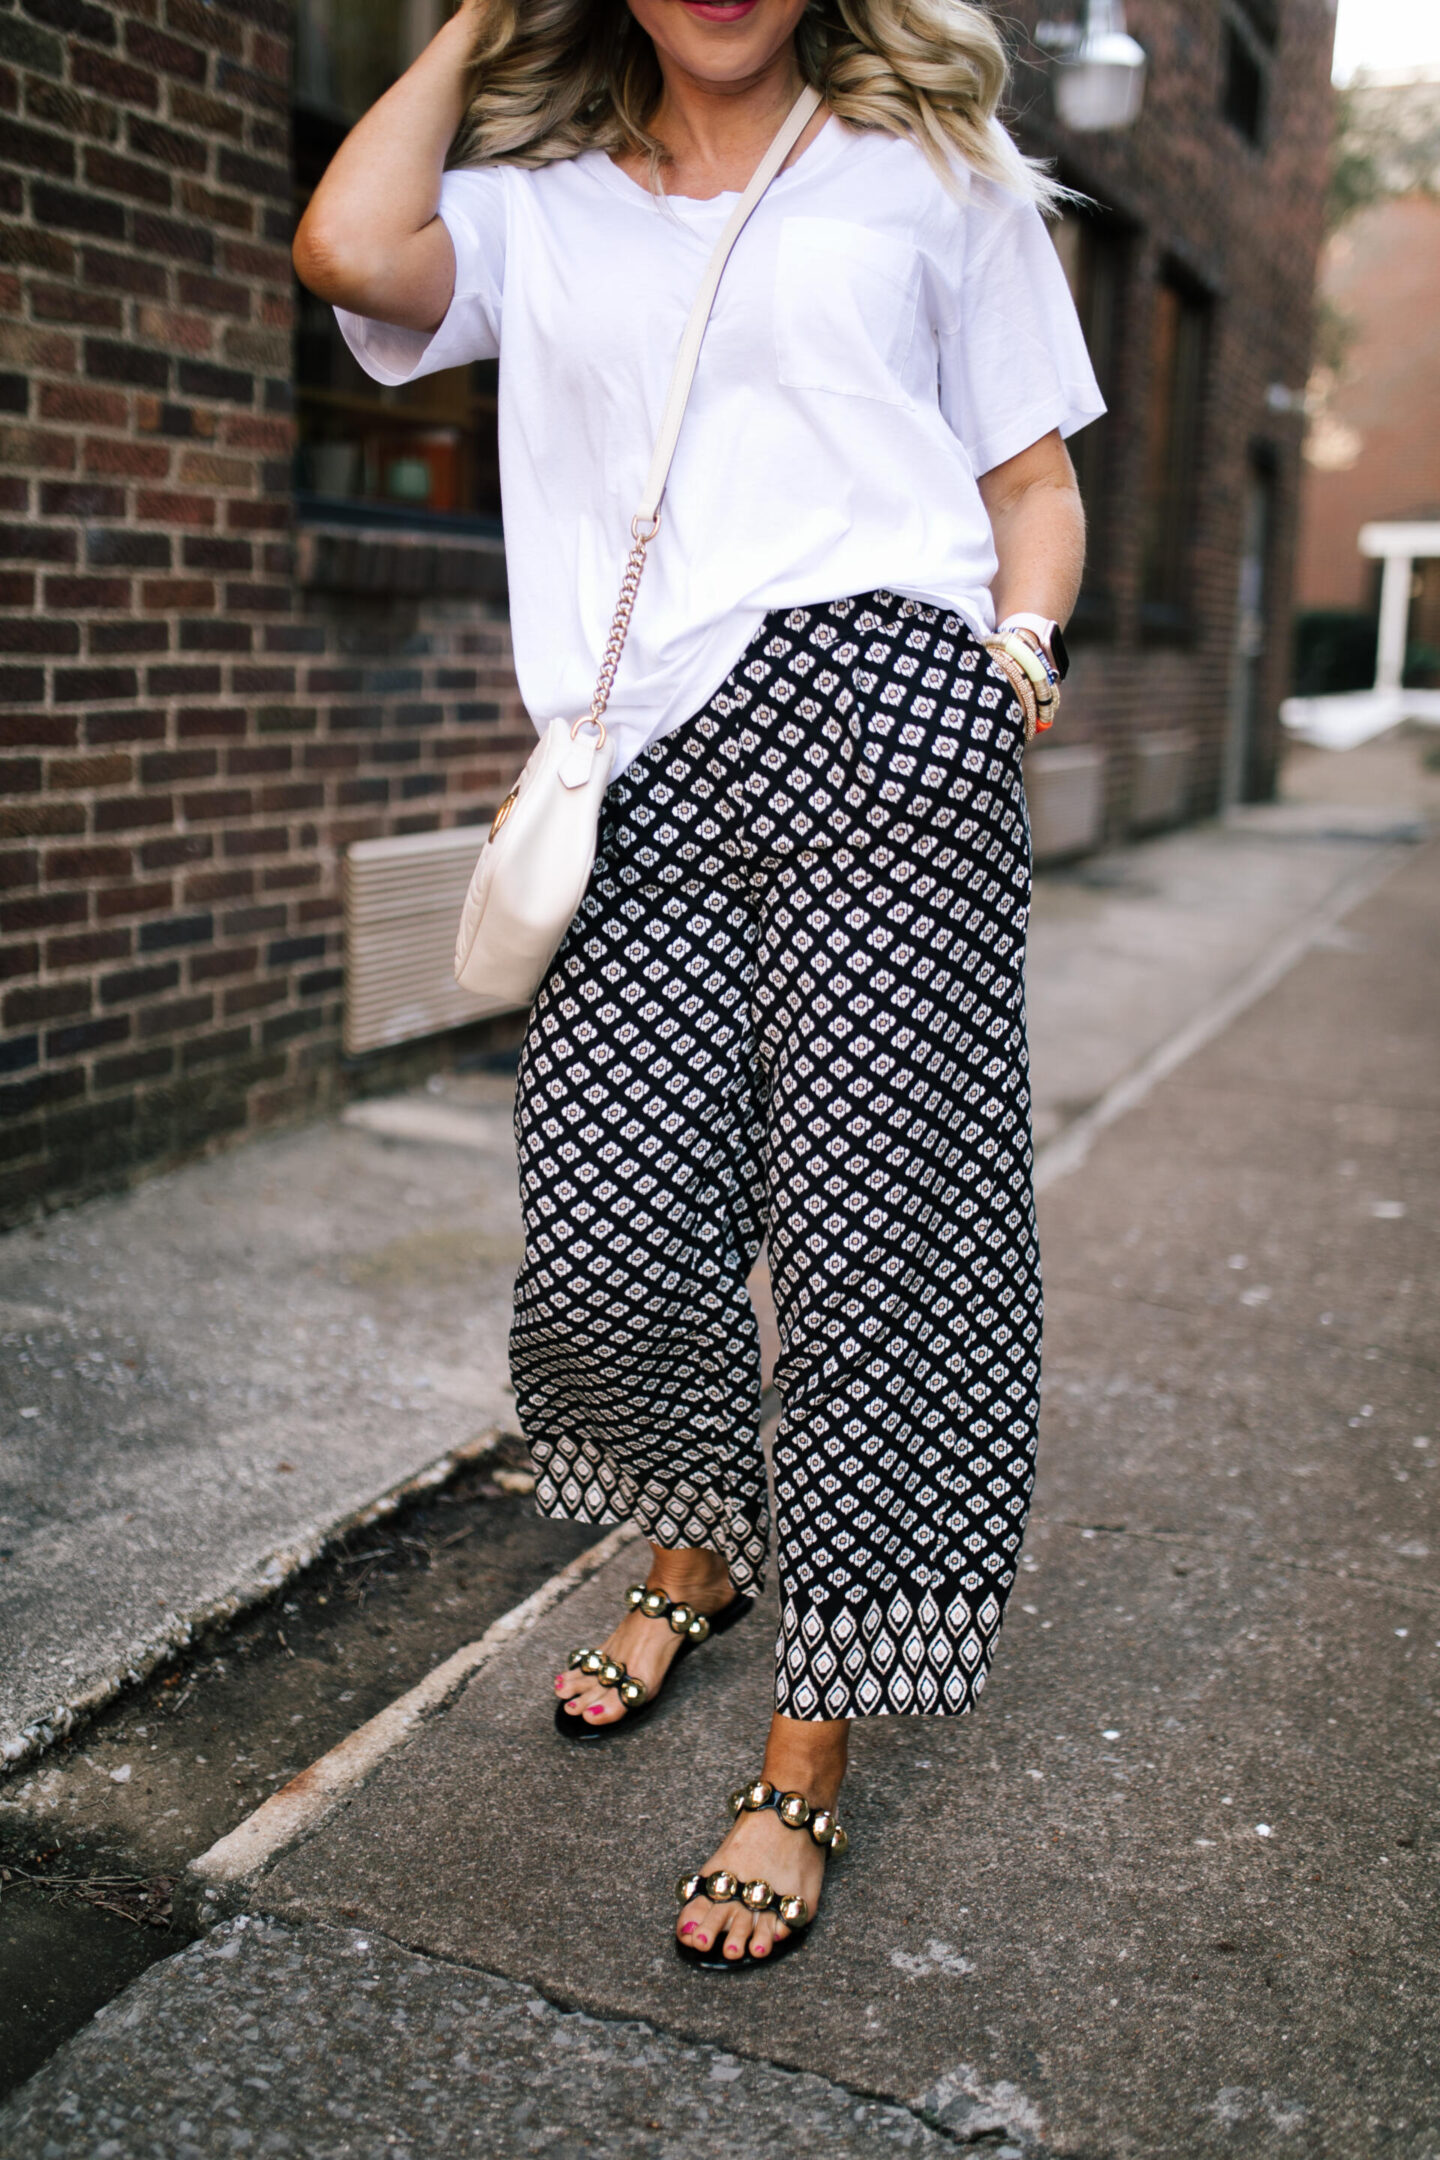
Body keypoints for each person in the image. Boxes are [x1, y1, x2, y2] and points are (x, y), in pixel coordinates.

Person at [295, 0, 1102, 1970]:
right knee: (613, 1239)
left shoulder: (938, 175)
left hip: (888, 723)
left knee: (865, 1256)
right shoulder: (539, 205)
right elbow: (346, 254)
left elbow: (1035, 484)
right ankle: (701, 1546)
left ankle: (807, 1745)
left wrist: (1010, 667)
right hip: (635, 760)